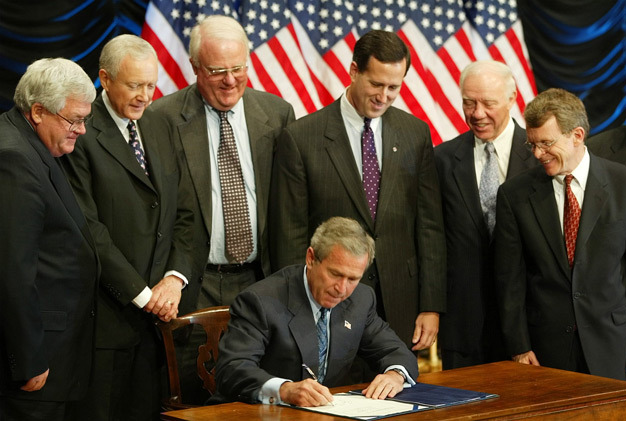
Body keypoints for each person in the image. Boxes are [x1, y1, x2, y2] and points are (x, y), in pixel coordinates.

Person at [269, 29, 446, 352]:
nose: (384, 96)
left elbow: (429, 225)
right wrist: (298, 307)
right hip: (329, 300)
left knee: (396, 391)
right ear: (353, 71)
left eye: (394, 87)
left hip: (399, 302)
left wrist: (431, 305)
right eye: (376, 84)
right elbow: (289, 234)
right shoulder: (301, 138)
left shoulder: (415, 133)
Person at [59, 35, 195, 420]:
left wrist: (173, 279)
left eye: (151, 85)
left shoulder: (161, 126)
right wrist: (142, 293)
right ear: (104, 78)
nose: (145, 96)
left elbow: (185, 213)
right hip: (107, 323)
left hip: (161, 325)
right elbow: (88, 229)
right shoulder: (80, 135)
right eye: (134, 85)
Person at [151, 15, 296, 313]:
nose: (230, 80)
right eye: (217, 71)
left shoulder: (278, 114)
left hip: (263, 280)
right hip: (193, 284)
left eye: (238, 68)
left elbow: (291, 206)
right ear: (195, 67)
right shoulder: (162, 119)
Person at [495, 87, 626, 381]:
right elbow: (510, 280)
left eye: (546, 143)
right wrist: (519, 346)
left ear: (577, 135)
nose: (537, 154)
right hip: (545, 350)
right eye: (532, 144)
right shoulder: (514, 195)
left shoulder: (624, 184)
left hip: (613, 342)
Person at [215, 217, 419, 406]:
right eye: (335, 274)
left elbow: (397, 352)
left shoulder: (361, 299)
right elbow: (233, 369)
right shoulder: (261, 300)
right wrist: (285, 390)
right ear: (311, 258)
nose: (342, 288)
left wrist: (395, 375)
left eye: (353, 279)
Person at [0, 58, 98, 421]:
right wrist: (28, 359)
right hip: (32, 366)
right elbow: (13, 271)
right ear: (38, 111)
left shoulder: (34, 146)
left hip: (54, 354)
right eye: (74, 120)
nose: (82, 130)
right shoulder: (13, 158)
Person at [434, 60, 538, 370]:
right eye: (469, 102)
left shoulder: (540, 157)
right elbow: (431, 240)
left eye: (488, 103)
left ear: (512, 98)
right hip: (463, 326)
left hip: (530, 326)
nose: (477, 113)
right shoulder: (441, 159)